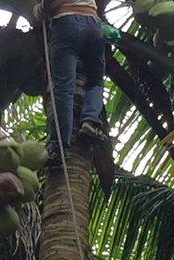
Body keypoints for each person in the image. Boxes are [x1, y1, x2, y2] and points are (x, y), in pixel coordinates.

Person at [33, 0, 108, 166]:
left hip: (66, 22)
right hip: (94, 23)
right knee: (95, 81)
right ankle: (90, 121)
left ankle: (59, 147)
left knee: (64, 89)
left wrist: (39, 10)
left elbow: (47, 5)